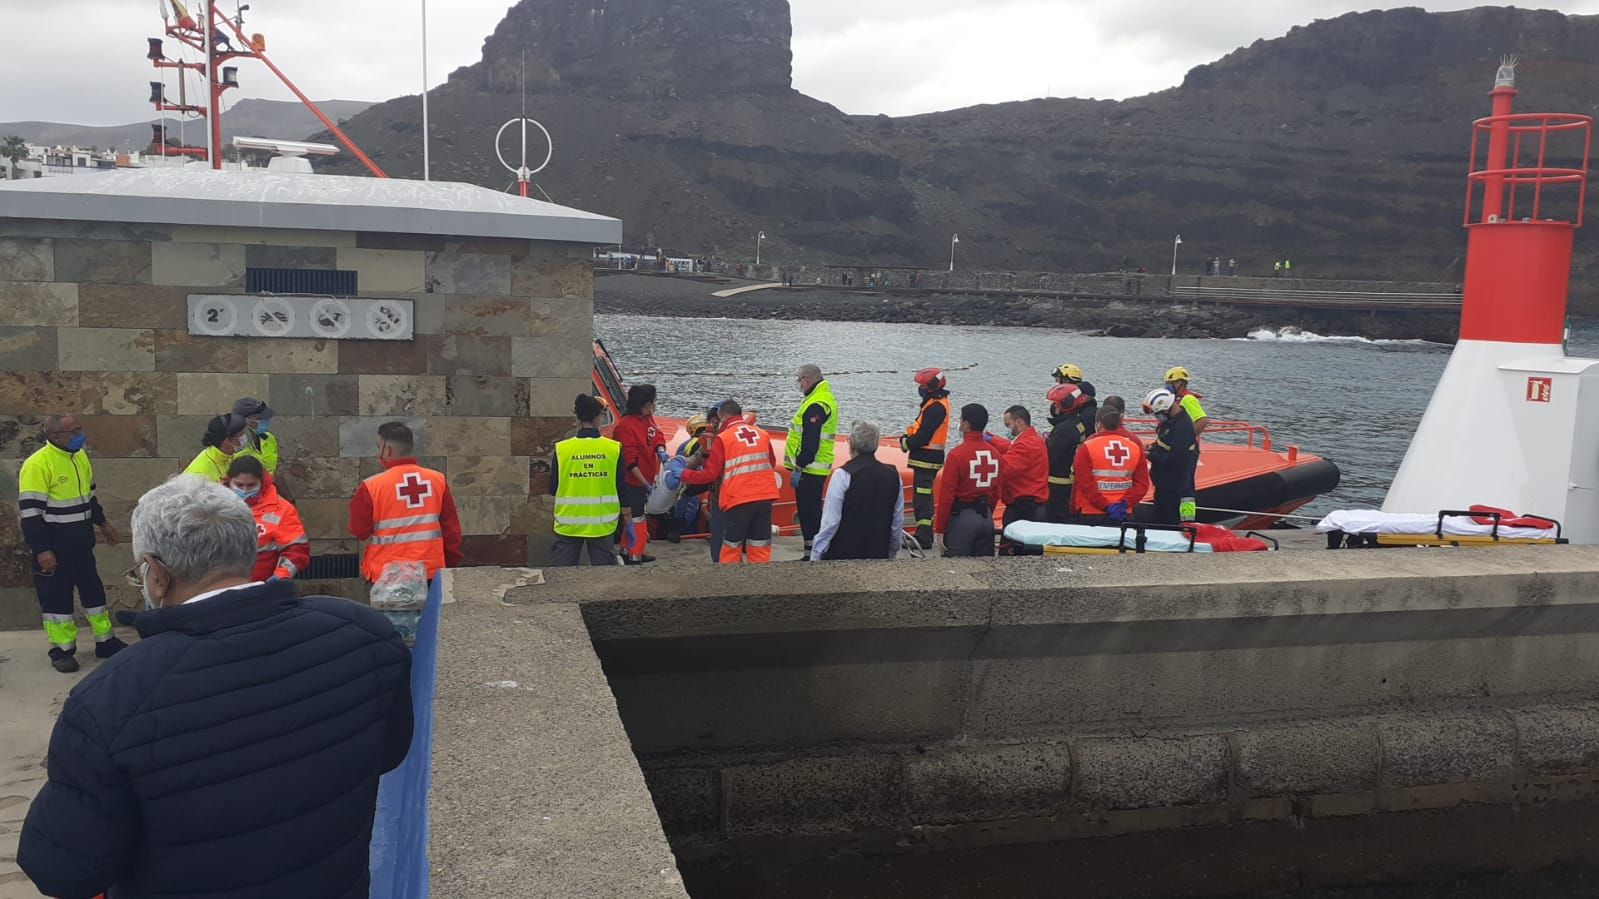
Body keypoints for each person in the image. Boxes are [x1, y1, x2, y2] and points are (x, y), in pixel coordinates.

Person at [18, 475, 412, 899]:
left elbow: (61, 870)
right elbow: (389, 751)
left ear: (155, 574)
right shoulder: (365, 634)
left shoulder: (109, 700)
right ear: (247, 548)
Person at [18, 414, 126, 673]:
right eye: (74, 431)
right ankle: (62, 650)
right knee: (57, 599)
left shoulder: (79, 457)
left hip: (81, 544)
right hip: (53, 548)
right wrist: (42, 549)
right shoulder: (37, 465)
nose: (81, 435)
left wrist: (103, 524)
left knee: (94, 593)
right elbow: (31, 514)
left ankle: (105, 641)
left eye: (80, 429)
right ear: (55, 436)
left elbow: (90, 497)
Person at [348, 421, 463, 583]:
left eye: (378, 447)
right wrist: (448, 564)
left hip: (387, 575)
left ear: (387, 450)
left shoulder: (371, 486)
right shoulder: (437, 480)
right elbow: (451, 531)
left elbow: (359, 531)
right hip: (430, 572)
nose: (377, 453)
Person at [674, 400, 780, 564]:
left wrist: (683, 474)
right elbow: (771, 463)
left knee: (731, 545)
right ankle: (760, 581)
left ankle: (728, 582)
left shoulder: (723, 439)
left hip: (738, 499)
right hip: (765, 497)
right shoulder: (762, 434)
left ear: (722, 417)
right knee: (760, 543)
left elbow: (709, 475)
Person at [549, 393, 628, 567]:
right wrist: (628, 519)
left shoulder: (563, 449)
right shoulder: (612, 449)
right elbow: (621, 487)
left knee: (562, 577)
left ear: (578, 416)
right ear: (598, 418)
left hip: (569, 522)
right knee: (604, 578)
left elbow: (553, 487)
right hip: (602, 523)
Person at [811, 420, 904, 561]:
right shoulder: (893, 475)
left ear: (852, 443)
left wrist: (816, 554)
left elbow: (830, 523)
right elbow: (897, 522)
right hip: (878, 553)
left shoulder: (842, 475)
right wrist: (892, 551)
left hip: (842, 554)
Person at [784, 363, 839, 560]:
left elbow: (810, 440)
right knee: (810, 513)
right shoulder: (821, 398)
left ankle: (815, 554)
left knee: (809, 514)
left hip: (811, 469)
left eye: (799, 380)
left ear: (806, 380)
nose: (799, 385)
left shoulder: (816, 403)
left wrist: (799, 465)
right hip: (814, 468)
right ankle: (812, 551)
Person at [933, 404, 1002, 557]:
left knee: (957, 570)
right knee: (984, 569)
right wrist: (987, 511)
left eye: (960, 419)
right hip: (986, 518)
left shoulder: (957, 455)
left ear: (966, 425)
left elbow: (946, 497)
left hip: (961, 520)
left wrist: (939, 529)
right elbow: (997, 492)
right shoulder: (996, 454)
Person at [225, 455, 309, 580]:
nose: (245, 490)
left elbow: (297, 548)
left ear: (262, 482)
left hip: (264, 587)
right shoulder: (213, 505)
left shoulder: (281, 509)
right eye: (239, 485)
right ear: (229, 481)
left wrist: (281, 575)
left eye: (251, 485)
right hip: (220, 587)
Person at [612, 383, 666, 565]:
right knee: (636, 518)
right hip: (632, 482)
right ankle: (634, 553)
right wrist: (645, 483)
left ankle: (630, 549)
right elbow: (630, 461)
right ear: (646, 403)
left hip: (646, 478)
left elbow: (656, 435)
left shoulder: (647, 419)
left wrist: (660, 449)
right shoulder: (625, 427)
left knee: (638, 516)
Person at [1072, 408, 1150, 526]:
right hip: (1124, 512)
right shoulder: (1134, 447)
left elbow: (1084, 483)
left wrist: (1106, 506)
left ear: (1098, 423)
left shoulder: (1087, 447)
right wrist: (1124, 504)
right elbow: (1142, 484)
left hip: (1092, 512)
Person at [901, 368, 951, 549]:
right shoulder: (933, 403)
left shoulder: (936, 406)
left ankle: (924, 537)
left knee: (922, 498)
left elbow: (923, 436)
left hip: (926, 458)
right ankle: (923, 534)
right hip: (927, 458)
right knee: (923, 496)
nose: (920, 389)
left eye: (922, 385)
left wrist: (906, 443)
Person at [1144, 388, 1198, 525]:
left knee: (1167, 521)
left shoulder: (1182, 427)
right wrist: (1154, 447)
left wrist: (1151, 455)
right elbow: (1165, 444)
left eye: (1159, 414)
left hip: (1173, 485)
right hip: (1164, 483)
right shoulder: (1171, 422)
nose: (1158, 418)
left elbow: (1176, 459)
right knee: (1159, 517)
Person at [996, 405, 1049, 537]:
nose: (1008, 429)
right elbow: (1011, 447)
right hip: (1034, 505)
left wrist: (987, 454)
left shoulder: (1025, 445)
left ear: (1019, 422)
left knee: (1012, 548)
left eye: (1008, 425)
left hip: (1024, 508)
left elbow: (1005, 468)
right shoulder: (1034, 439)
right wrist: (992, 440)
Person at [1164, 366, 1208, 521]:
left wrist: (1187, 437)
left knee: (1186, 485)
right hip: (1179, 448)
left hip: (1188, 450)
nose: (1167, 385)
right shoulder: (1176, 399)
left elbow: (1202, 420)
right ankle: (1176, 515)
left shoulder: (1188, 399)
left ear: (1180, 383)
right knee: (1178, 483)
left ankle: (1187, 519)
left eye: (1171, 382)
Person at [1044, 383, 1090, 523]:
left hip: (1057, 484)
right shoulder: (1076, 424)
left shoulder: (1064, 429)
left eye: (1056, 405)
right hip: (1067, 481)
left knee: (1056, 519)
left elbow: (1052, 457)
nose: (1053, 408)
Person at [183, 413, 246, 481]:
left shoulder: (229, 455)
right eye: (241, 434)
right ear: (228, 440)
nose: (244, 437)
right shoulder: (199, 473)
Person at [230, 396, 279, 473]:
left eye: (265, 417)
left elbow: (273, 471)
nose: (265, 420)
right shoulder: (234, 446)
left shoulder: (268, 437)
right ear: (243, 420)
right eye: (259, 418)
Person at [1052, 363, 1099, 436]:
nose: (1056, 383)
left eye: (1058, 380)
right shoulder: (1068, 400)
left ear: (1066, 380)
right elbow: (1055, 412)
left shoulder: (1084, 410)